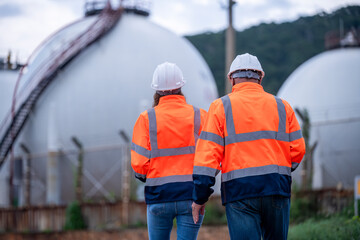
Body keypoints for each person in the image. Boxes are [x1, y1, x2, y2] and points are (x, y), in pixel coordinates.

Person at [192, 53, 306, 240]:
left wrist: (199, 197)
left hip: (240, 193)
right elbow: (298, 150)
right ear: (260, 77)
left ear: (231, 79)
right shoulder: (282, 106)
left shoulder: (220, 107)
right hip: (276, 188)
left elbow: (207, 159)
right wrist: (281, 171)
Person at [131, 62, 207, 240]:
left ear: (156, 89)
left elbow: (139, 165)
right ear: (180, 86)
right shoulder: (199, 116)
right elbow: (210, 159)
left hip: (159, 197)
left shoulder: (146, 118)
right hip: (192, 197)